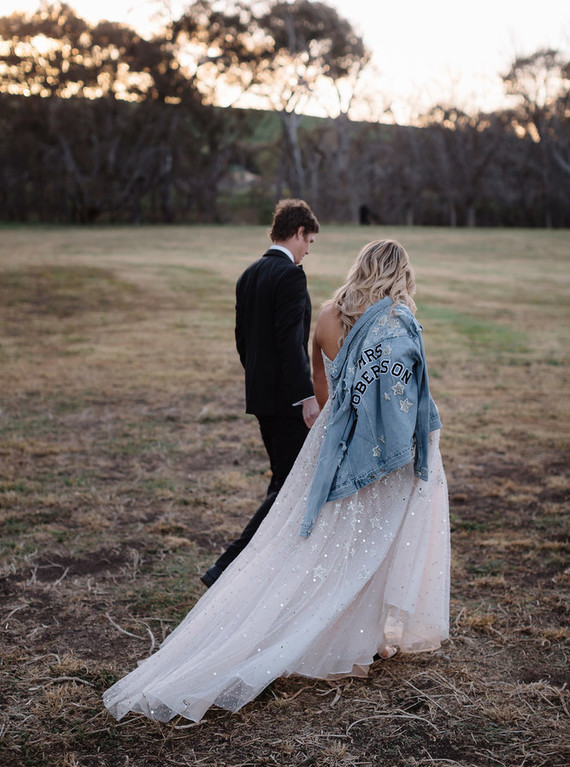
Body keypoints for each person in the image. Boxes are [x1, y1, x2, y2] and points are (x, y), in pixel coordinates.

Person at [103, 240, 450, 724]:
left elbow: (320, 382)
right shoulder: (397, 323)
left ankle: (347, 633)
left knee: (320, 541)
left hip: (330, 444)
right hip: (375, 446)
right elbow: (404, 396)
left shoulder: (330, 315)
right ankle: (354, 638)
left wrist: (338, 428)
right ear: (400, 274)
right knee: (371, 541)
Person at [200, 199, 320, 588]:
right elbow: (290, 343)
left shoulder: (248, 275)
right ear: (298, 232)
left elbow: (242, 341)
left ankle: (267, 567)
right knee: (291, 483)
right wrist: (306, 396)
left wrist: (259, 380)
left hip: (261, 397)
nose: (307, 251)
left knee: (282, 480)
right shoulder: (290, 275)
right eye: (309, 241)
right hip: (287, 400)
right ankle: (228, 566)